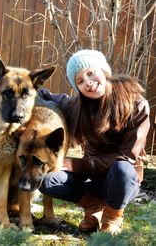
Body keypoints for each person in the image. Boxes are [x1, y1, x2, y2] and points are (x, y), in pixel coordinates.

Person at [38, 49, 150, 235]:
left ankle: (113, 215)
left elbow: (126, 157)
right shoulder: (77, 106)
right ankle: (93, 207)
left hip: (123, 179)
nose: (88, 83)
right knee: (45, 177)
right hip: (92, 178)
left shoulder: (136, 104)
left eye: (91, 73)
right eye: (80, 81)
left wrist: (76, 164)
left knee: (121, 169)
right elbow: (45, 94)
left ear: (104, 70)